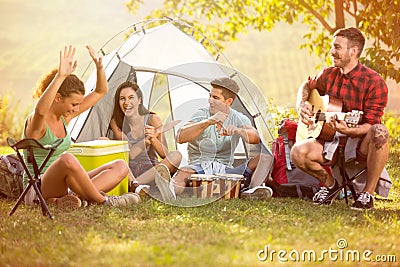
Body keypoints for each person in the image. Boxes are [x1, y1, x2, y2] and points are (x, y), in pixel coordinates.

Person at [23, 45, 141, 209]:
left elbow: (101, 91)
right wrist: (60, 76)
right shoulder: (37, 123)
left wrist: (100, 67)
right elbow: (40, 110)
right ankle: (104, 201)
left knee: (120, 165)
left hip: (65, 185)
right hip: (38, 188)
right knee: (67, 159)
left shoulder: (65, 117)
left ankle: (74, 200)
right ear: (57, 98)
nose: (77, 109)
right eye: (73, 104)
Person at [290, 27, 390, 210]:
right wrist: (302, 104)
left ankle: (367, 194)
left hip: (360, 142)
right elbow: (307, 85)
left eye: (337, 47)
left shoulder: (374, 82)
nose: (332, 52)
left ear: (353, 51)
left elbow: (371, 124)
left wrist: (349, 130)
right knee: (297, 152)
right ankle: (330, 185)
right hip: (330, 138)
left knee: (380, 132)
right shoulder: (328, 74)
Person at [155, 77, 273, 201]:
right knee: (184, 172)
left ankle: (251, 191)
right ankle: (171, 191)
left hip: (226, 170)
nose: (210, 100)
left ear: (228, 101)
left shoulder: (238, 117)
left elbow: (255, 138)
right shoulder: (201, 114)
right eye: (210, 96)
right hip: (199, 167)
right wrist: (208, 122)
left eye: (215, 98)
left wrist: (238, 130)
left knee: (265, 158)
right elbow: (180, 136)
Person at [109, 81, 182, 196]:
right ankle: (137, 185)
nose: (126, 102)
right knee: (104, 140)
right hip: (129, 172)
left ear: (139, 100)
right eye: (122, 99)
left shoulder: (152, 119)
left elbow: (165, 155)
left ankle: (137, 185)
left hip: (151, 171)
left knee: (177, 155)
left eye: (131, 98)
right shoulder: (116, 122)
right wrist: (146, 141)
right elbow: (130, 154)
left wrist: (153, 138)